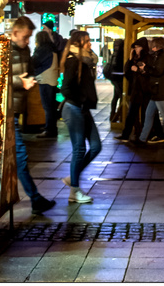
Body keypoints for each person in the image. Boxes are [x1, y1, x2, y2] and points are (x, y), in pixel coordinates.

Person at [9, 15, 55, 213]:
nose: (28, 41)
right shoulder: (2, 50)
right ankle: (35, 199)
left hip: (15, 109)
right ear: (15, 32)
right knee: (19, 155)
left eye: (30, 37)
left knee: (17, 157)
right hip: (5, 112)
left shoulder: (24, 49)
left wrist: (28, 78)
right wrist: (22, 82)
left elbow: (27, 71)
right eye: (26, 37)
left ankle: (34, 199)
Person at [60, 30, 102, 203]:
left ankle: (73, 177)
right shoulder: (73, 61)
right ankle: (74, 192)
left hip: (83, 109)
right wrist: (81, 99)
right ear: (78, 44)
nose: (90, 44)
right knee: (79, 149)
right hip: (74, 108)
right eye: (87, 41)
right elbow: (66, 88)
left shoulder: (86, 61)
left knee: (96, 146)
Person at [138, 36, 164, 146]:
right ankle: (142, 138)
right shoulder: (162, 56)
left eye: (153, 45)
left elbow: (158, 72)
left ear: (157, 46)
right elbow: (156, 71)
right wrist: (146, 69)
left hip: (161, 91)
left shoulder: (163, 57)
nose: (152, 47)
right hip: (157, 90)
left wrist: (146, 69)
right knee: (149, 114)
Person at [116, 39, 149, 142]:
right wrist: (130, 58)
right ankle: (127, 135)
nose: (135, 49)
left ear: (142, 47)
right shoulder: (135, 59)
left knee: (144, 114)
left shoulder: (147, 58)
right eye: (134, 47)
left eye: (137, 47)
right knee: (131, 114)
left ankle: (142, 136)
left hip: (144, 90)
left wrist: (138, 70)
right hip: (136, 90)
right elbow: (127, 72)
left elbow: (147, 74)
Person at [31, 29, 60, 137]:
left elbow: (34, 62)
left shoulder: (42, 49)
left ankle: (49, 130)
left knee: (47, 106)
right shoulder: (52, 48)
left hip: (45, 78)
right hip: (52, 78)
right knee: (51, 106)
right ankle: (51, 127)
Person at [103, 39, 125, 123]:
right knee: (121, 96)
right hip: (119, 77)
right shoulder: (121, 53)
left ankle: (113, 114)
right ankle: (118, 115)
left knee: (116, 96)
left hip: (113, 77)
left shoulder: (114, 53)